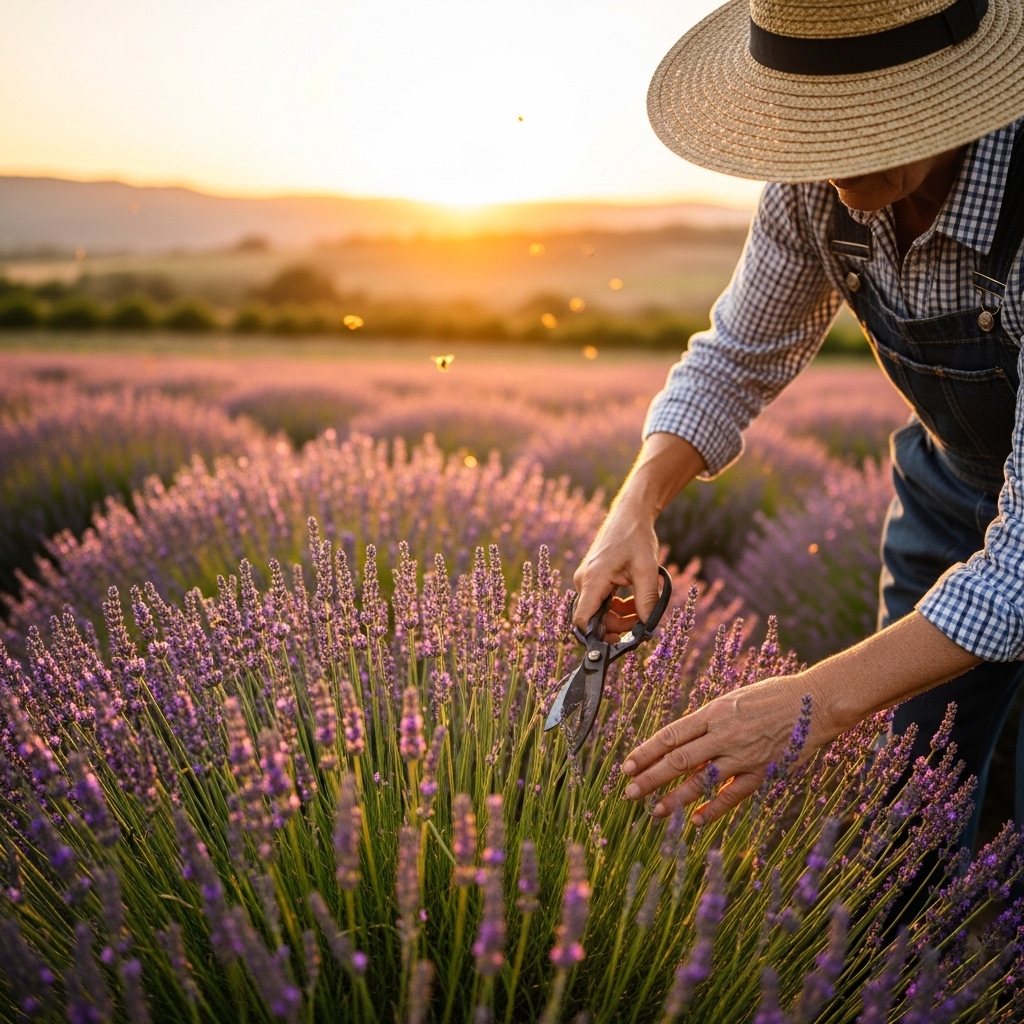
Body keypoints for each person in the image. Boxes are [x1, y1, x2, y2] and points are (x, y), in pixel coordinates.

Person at [573, 0, 1024, 844]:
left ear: (951, 93)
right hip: (949, 489)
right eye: (814, 127)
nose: (834, 166)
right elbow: (736, 355)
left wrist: (814, 700)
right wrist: (634, 507)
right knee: (908, 795)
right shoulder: (815, 185)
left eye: (867, 122)